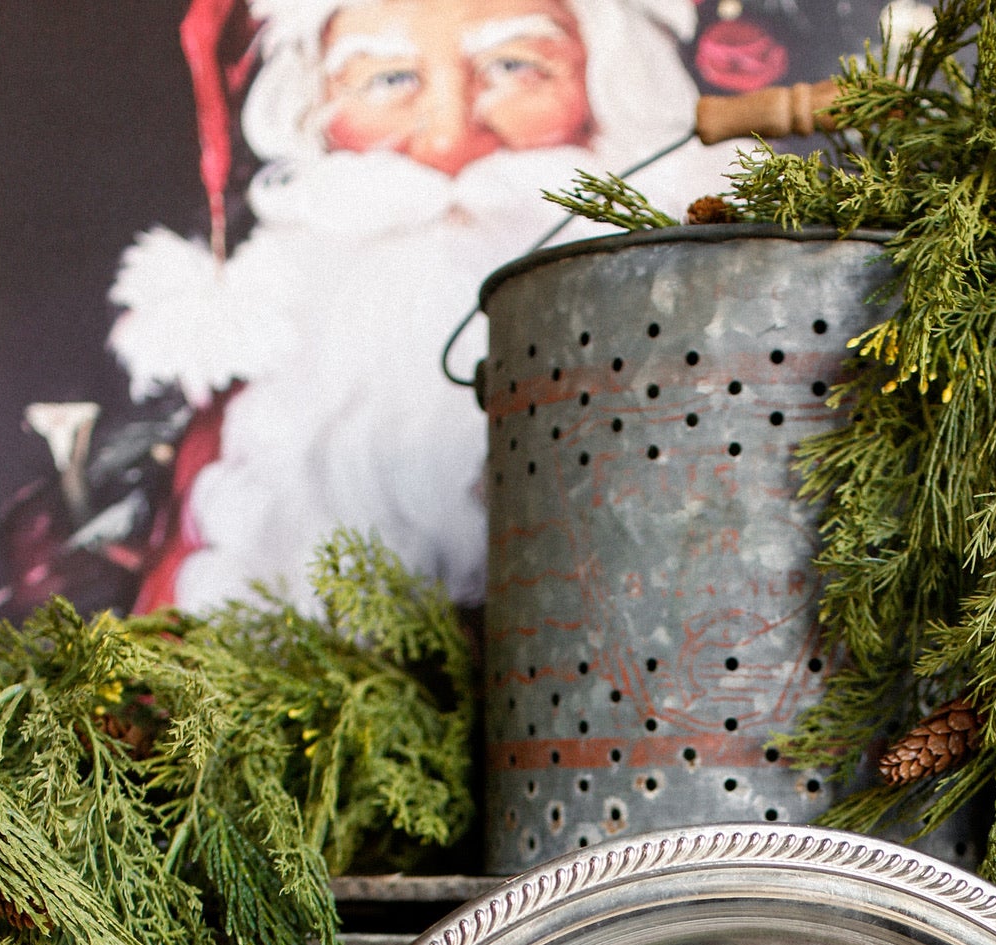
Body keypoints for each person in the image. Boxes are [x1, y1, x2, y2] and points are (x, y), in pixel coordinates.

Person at [109, 0, 726, 613]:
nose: (448, 140)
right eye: (390, 80)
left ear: (614, 88)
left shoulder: (730, 360)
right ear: (314, 111)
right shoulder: (247, 437)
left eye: (515, 67)